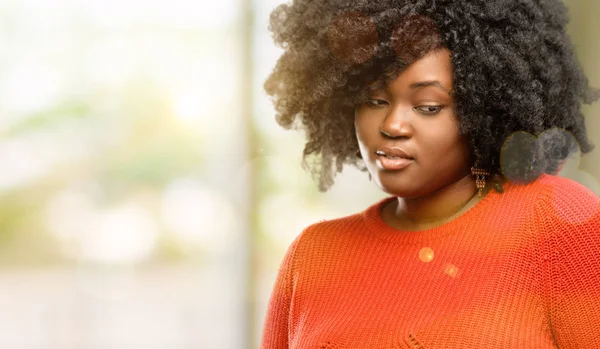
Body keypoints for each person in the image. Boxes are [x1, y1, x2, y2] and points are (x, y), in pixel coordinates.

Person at [260, 0, 600, 348]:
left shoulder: (556, 222)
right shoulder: (313, 255)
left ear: (484, 108)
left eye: (428, 107)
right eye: (374, 101)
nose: (392, 126)